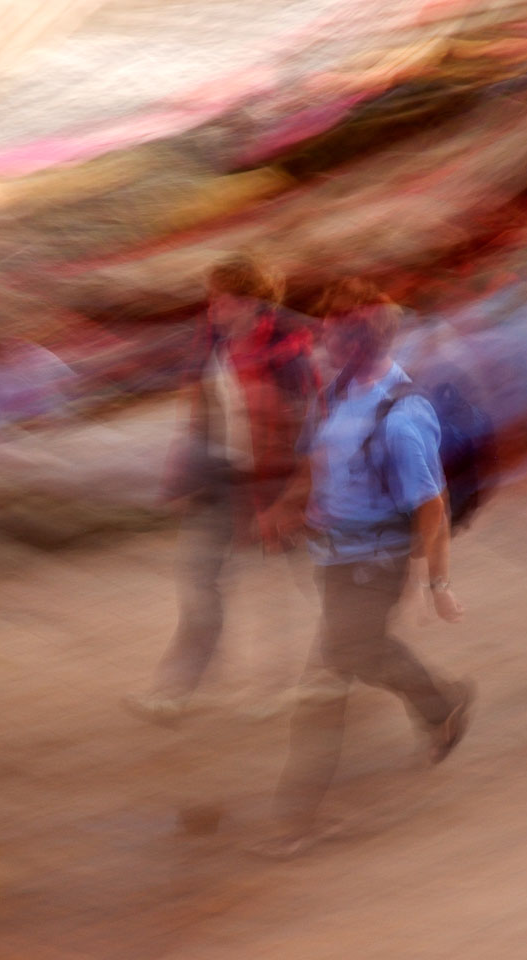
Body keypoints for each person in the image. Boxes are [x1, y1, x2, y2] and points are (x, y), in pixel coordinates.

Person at [254, 279, 476, 857]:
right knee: (364, 654)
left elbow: (432, 507)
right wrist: (287, 507)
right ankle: (443, 703)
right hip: (333, 559)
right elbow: (314, 459)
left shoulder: (404, 417)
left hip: (373, 566)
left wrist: (437, 584)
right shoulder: (335, 393)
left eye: (334, 335)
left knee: (324, 683)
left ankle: (295, 818)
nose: (322, 342)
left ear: (362, 342)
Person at [125, 253, 319, 724]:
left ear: (253, 303)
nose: (214, 308)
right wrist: (183, 474)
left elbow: (314, 423)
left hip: (277, 480)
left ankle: (311, 672)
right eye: (213, 298)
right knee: (201, 582)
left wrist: (294, 498)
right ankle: (180, 688)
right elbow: (200, 408)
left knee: (295, 581)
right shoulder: (214, 340)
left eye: (226, 300)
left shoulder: (290, 346)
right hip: (221, 478)